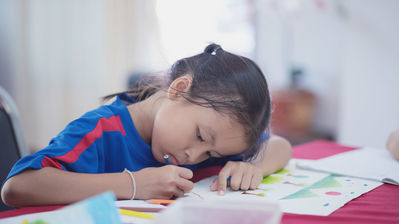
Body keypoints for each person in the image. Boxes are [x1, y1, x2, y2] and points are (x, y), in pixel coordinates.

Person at [1, 43, 292, 207]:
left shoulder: (218, 135)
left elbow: (280, 146)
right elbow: (17, 187)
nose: (195, 156)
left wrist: (253, 167)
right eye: (200, 137)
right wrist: (134, 184)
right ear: (178, 89)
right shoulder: (101, 130)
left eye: (211, 155)